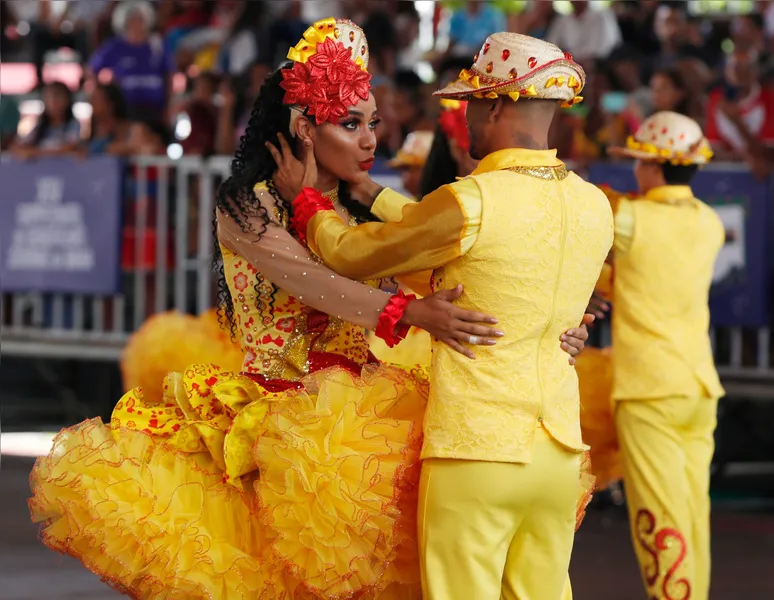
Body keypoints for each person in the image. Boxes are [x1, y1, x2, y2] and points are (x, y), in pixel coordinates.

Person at [29, 20, 591, 598]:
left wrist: (549, 328)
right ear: (303, 127)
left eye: (373, 123)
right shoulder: (247, 206)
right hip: (272, 427)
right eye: (351, 125)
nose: (371, 140)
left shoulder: (356, 211)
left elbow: (463, 274)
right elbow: (316, 282)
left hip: (362, 430)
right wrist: (409, 312)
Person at [288, 32, 614, 600]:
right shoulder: (594, 204)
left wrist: (308, 202)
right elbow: (472, 250)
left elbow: (351, 254)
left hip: (477, 449)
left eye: (468, 106)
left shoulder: (472, 200)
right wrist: (368, 189)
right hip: (558, 452)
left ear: (491, 108)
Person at [596, 111, 726, 600]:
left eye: (638, 162)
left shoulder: (630, 218)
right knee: (693, 515)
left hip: (648, 387)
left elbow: (588, 220)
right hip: (698, 386)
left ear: (651, 167)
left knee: (660, 518)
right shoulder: (710, 222)